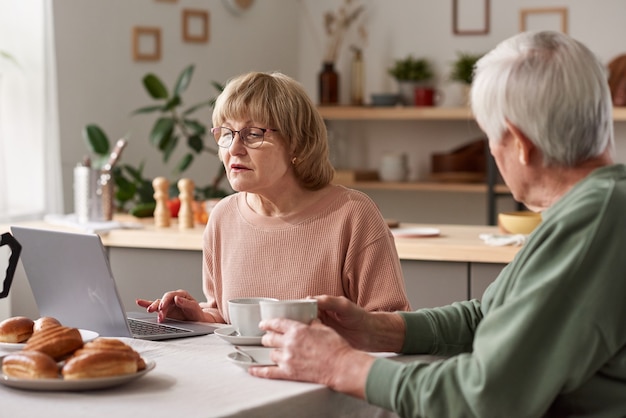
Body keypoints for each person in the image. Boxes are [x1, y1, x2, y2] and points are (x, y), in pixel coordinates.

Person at [250, 30, 626, 417]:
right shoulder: (595, 208)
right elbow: (490, 316)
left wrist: (341, 365)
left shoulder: (595, 221)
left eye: (489, 139)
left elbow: (485, 397)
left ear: (518, 142)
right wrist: (378, 329)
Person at [136, 71, 411, 323]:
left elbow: (391, 325)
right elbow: (226, 317)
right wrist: (198, 316)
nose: (234, 149)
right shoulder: (223, 217)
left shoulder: (353, 215)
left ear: (297, 144)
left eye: (253, 134)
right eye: (226, 133)